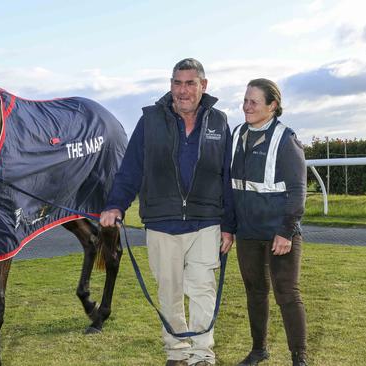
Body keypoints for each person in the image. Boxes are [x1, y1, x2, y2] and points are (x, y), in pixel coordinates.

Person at [100, 58, 234, 366]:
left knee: (202, 290)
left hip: (206, 221)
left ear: (204, 85)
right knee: (170, 292)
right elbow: (130, 169)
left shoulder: (220, 122)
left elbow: (227, 176)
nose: (182, 90)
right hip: (162, 223)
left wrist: (229, 224)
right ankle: (177, 354)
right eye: (177, 82)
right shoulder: (150, 120)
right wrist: (115, 204)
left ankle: (203, 357)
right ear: (170, 84)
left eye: (190, 83)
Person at [227, 78, 308, 366]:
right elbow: (230, 186)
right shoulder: (236, 135)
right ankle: (258, 350)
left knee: (286, 293)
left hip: (280, 234)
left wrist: (286, 231)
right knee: (255, 292)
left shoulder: (286, 138)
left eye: (253, 102)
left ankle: (299, 357)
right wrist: (228, 227)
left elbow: (298, 190)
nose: (246, 106)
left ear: (272, 106)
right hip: (248, 233)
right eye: (245, 100)